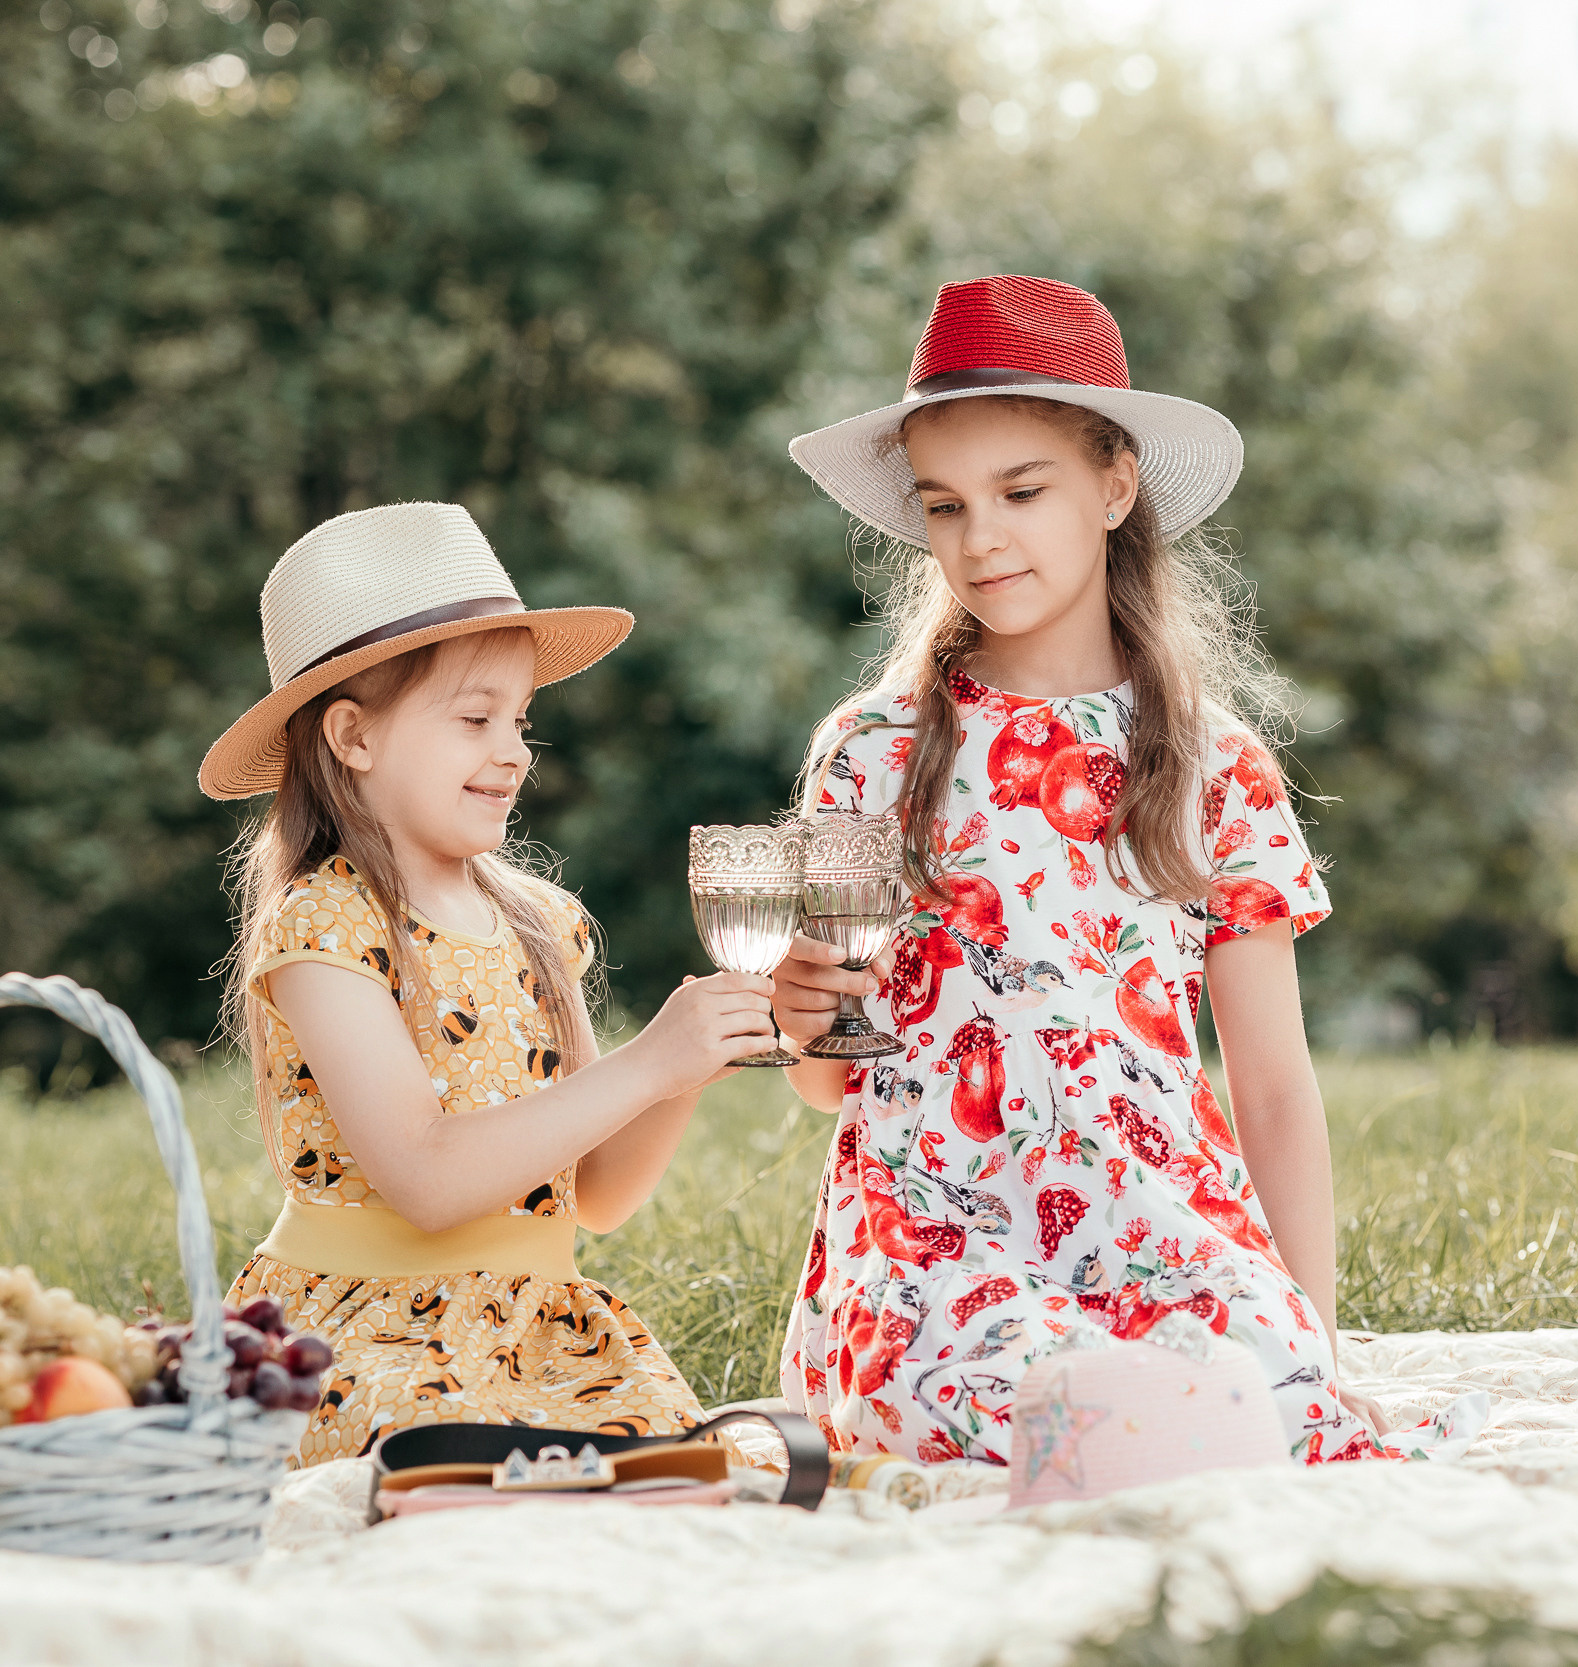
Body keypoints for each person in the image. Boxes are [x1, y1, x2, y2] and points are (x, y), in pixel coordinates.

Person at [769, 276, 1486, 1466]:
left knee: (1268, 1407)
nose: (980, 538)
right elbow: (825, 1081)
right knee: (992, 1402)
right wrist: (803, 1021)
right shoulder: (869, 752)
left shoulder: (1214, 764)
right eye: (945, 504)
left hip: (1161, 1220)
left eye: (1021, 491)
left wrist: (1312, 1340)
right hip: (932, 1233)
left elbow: (1271, 1084)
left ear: (1113, 485)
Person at [198, 502, 778, 1466]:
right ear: (352, 736)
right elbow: (427, 1179)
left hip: (539, 1330)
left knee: (682, 1471)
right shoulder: (323, 925)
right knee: (457, 1466)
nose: (513, 751)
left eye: (520, 721)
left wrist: (685, 1071)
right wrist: (646, 1064)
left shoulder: (540, 923)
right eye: (475, 719)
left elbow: (598, 1192)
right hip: (366, 1334)